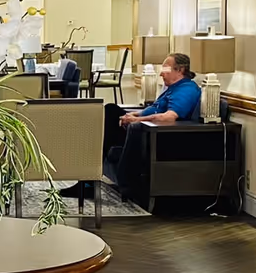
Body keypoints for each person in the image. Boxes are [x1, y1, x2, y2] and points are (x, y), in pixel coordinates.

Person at [59, 52, 202, 201]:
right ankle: (87, 180)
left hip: (153, 136)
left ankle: (88, 182)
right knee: (108, 114)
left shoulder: (186, 89)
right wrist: (134, 115)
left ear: (180, 70)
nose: (161, 74)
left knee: (110, 113)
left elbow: (169, 117)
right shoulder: (172, 88)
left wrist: (137, 121)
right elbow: (155, 109)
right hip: (142, 128)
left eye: (165, 69)